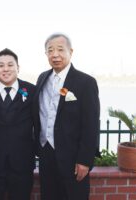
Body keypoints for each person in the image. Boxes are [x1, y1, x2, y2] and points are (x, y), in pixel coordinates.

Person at [33, 33, 100, 200]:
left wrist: (85, 160)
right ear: (46, 54)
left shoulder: (86, 82)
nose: (55, 54)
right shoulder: (42, 78)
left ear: (71, 51)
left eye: (60, 50)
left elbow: (91, 124)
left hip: (73, 158)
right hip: (46, 153)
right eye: (50, 50)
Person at [0, 48, 36, 200]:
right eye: (1, 65)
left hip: (22, 162)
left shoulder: (32, 90)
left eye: (10, 65)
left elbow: (39, 122)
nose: (6, 69)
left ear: (18, 68)